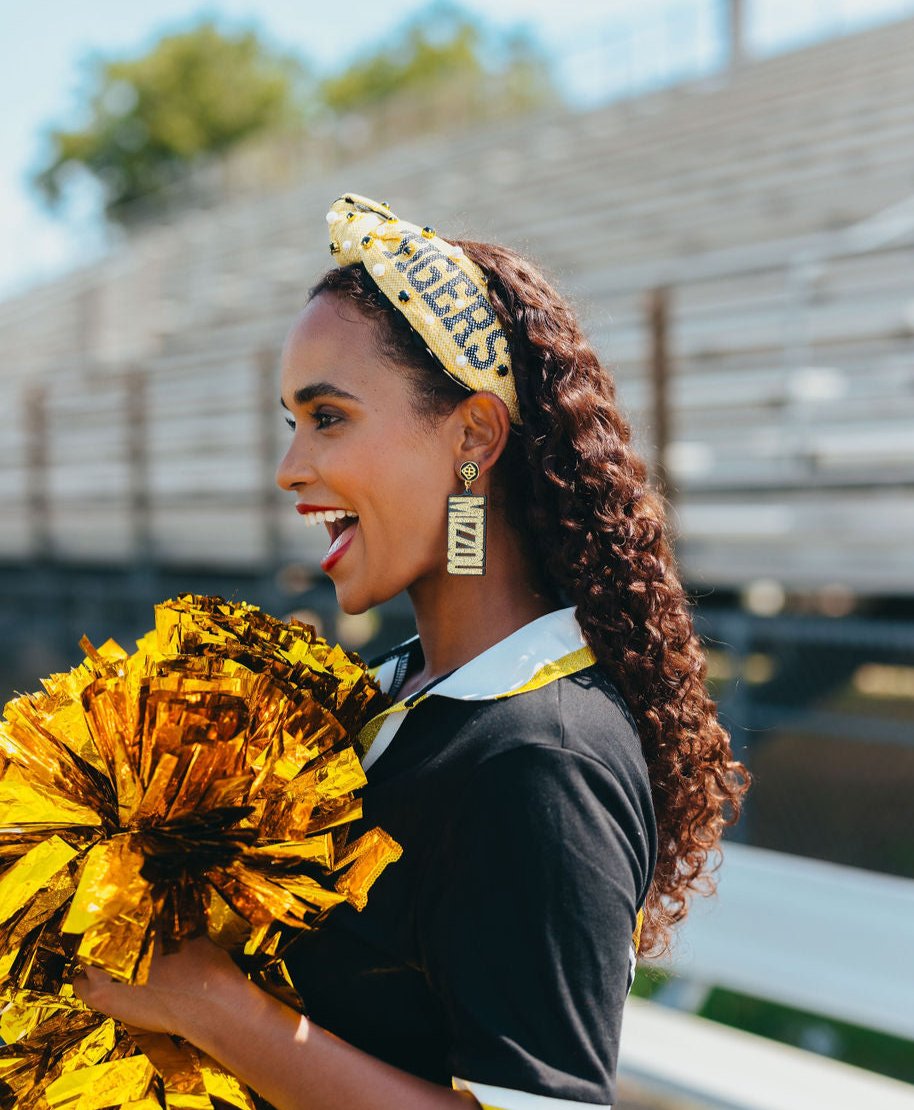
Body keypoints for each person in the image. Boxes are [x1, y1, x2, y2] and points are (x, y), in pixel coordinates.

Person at [75, 193, 749, 1110]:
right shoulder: (401, 693)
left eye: (330, 417)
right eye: (292, 422)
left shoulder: (541, 756)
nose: (291, 469)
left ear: (473, 438)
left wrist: (210, 1005)